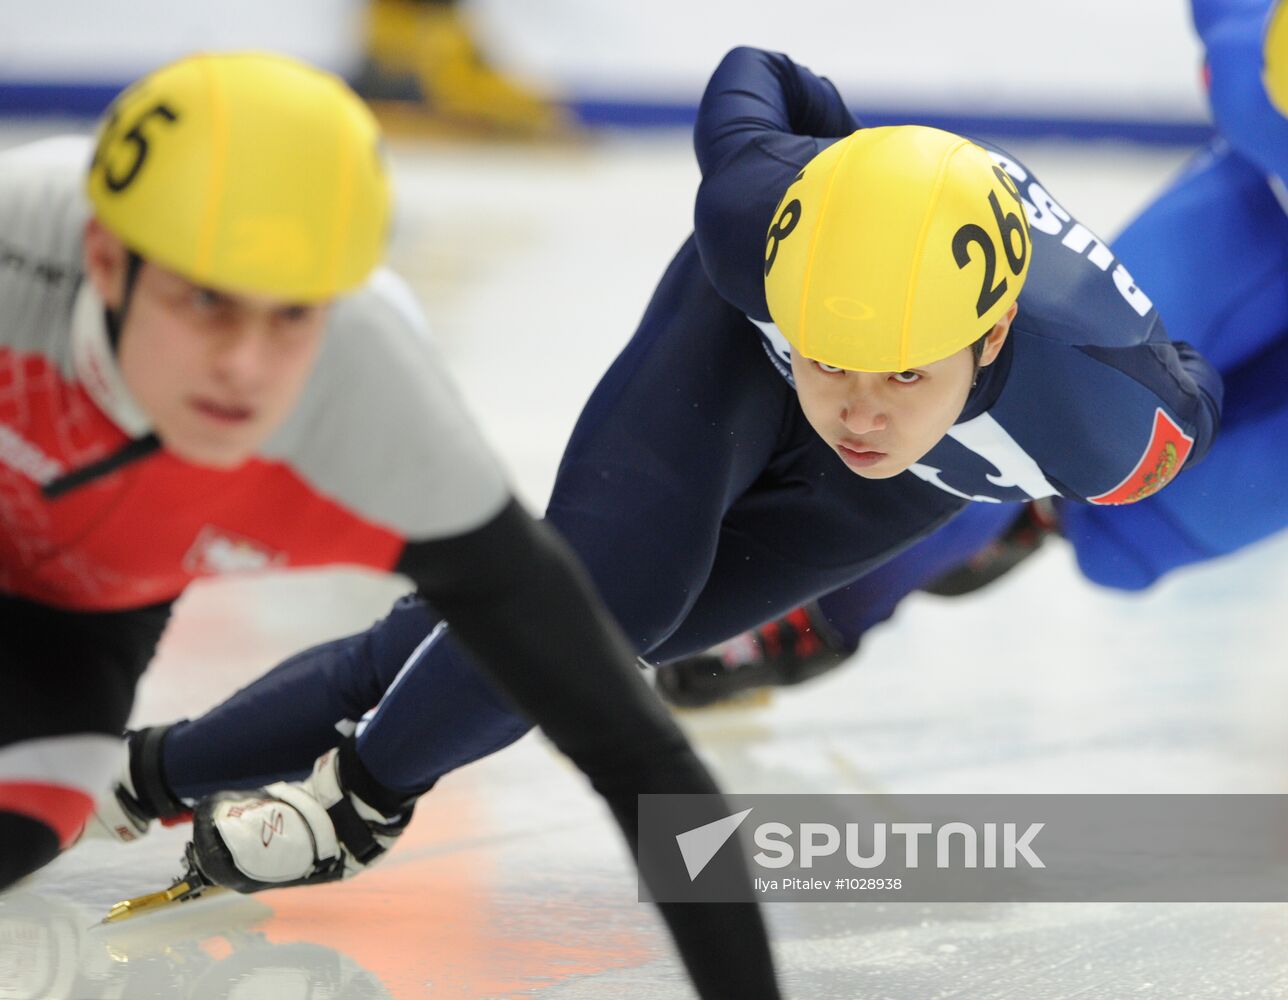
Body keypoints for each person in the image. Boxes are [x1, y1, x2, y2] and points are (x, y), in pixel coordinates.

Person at [98, 46, 1220, 896]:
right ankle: (362, 806)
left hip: (922, 481)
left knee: (495, 639)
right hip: (729, 350)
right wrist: (844, 160)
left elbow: (1206, 387)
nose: (858, 410)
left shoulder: (1112, 428)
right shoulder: (755, 216)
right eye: (831, 360)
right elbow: (761, 73)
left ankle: (153, 770)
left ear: (988, 339)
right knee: (592, 604)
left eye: (901, 377)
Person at [0, 50, 781, 1000]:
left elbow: (635, 753)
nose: (244, 365)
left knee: (19, 830)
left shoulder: (379, 405)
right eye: (205, 299)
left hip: (85, 607)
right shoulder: (14, 247)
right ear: (106, 261)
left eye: (294, 313)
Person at [658, 0, 1288, 708]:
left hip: (1260, 175)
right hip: (1265, 195)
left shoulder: (1254, 72)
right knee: (1042, 417)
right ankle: (875, 579)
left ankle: (1024, 514)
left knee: (1128, 546)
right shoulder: (1259, 84)